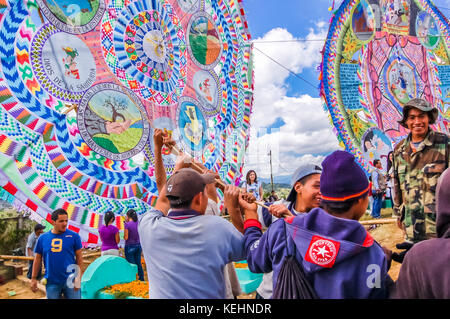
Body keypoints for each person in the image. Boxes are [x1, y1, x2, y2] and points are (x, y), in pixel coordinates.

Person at [240, 151, 393, 298]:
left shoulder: (282, 229)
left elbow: (255, 261)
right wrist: (382, 268)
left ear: (324, 196)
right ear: (361, 201)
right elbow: (377, 292)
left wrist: (251, 215)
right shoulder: (373, 253)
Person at [138, 129, 245, 298]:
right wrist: (235, 210)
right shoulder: (217, 223)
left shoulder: (149, 226)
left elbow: (163, 192)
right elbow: (252, 249)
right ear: (198, 198)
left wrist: (164, 152)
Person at [254, 163, 322, 299]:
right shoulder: (274, 209)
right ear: (298, 187)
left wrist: (292, 220)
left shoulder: (326, 218)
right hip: (269, 293)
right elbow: (250, 224)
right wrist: (239, 206)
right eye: (317, 186)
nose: (323, 191)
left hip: (307, 293)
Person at [393, 98, 449, 244]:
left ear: (429, 118)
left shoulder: (445, 144)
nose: (417, 122)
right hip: (410, 226)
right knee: (416, 265)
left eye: (421, 116)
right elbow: (397, 185)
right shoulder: (399, 150)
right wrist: (399, 213)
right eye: (412, 117)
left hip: (437, 228)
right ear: (406, 121)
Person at [391, 168, 450, 298]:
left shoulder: (445, 147)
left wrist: (422, 257)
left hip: (433, 231)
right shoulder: (400, 151)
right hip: (415, 230)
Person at [31, 209, 83, 299]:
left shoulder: (74, 236)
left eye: (66, 221)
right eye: (61, 221)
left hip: (71, 281)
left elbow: (79, 257)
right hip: (51, 282)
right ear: (53, 222)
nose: (65, 224)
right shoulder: (42, 238)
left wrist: (78, 277)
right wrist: (33, 278)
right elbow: (38, 259)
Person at [124, 209, 144, 281]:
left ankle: (133, 280)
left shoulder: (127, 225)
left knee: (131, 265)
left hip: (130, 246)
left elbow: (126, 237)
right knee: (138, 264)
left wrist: (125, 226)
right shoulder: (139, 223)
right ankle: (141, 279)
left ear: (128, 216)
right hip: (138, 245)